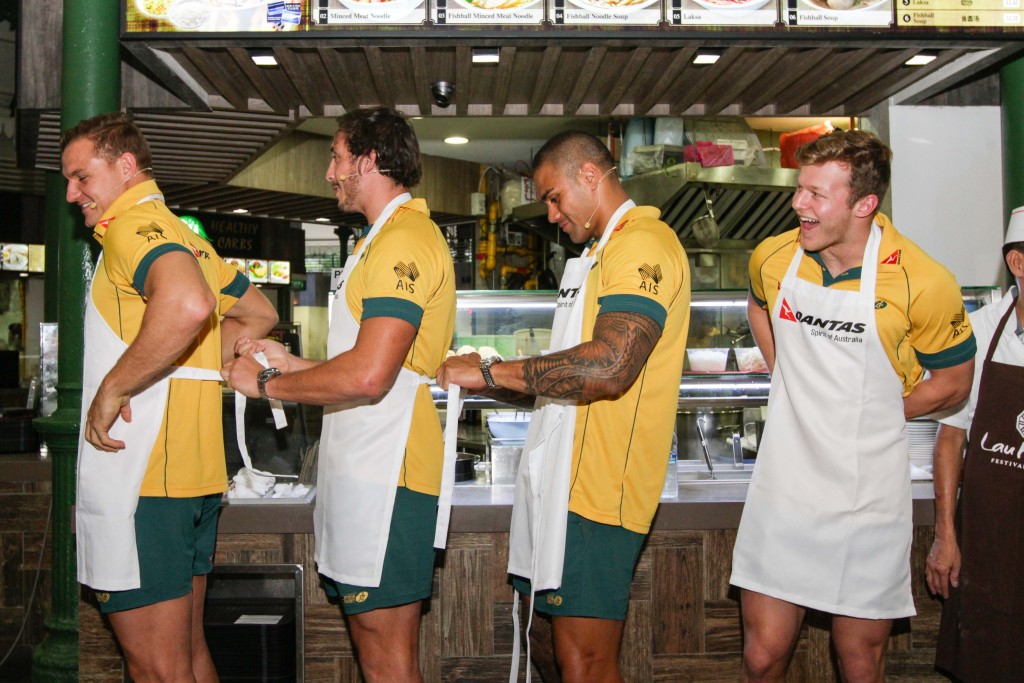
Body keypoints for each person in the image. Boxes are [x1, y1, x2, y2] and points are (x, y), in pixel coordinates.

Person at [436, 130, 690, 683]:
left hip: (602, 491)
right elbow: (566, 377)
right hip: (558, 483)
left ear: (591, 177)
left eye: (554, 197)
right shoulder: (596, 253)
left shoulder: (642, 243)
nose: (551, 215)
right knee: (548, 646)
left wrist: (487, 372)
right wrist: (493, 380)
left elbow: (608, 365)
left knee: (586, 660)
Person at [729, 129, 976, 683]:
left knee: (859, 659)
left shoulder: (922, 279)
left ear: (864, 204)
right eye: (800, 189)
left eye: (817, 194)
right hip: (786, 483)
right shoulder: (774, 256)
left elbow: (956, 382)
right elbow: (758, 304)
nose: (799, 204)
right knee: (762, 656)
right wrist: (785, 374)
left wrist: (872, 412)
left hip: (867, 491)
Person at [221, 107, 455, 683]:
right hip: (365, 468)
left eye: (336, 157)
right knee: (373, 652)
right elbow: (364, 362)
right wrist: (293, 362)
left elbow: (372, 376)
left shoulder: (404, 240)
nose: (329, 172)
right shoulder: (375, 242)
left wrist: (271, 383)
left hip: (391, 469)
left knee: (388, 657)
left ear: (369, 161)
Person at [61, 112, 278, 683]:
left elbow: (187, 305)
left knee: (157, 668)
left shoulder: (134, 225)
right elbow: (259, 314)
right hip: (193, 480)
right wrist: (202, 356)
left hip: (144, 482)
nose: (71, 193)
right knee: (184, 657)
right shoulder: (185, 234)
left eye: (82, 177)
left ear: (126, 166)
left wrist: (114, 387)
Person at [928, 206, 1024, 681]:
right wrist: (946, 535)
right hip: (991, 537)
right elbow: (950, 439)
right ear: (1018, 264)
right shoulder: (980, 332)